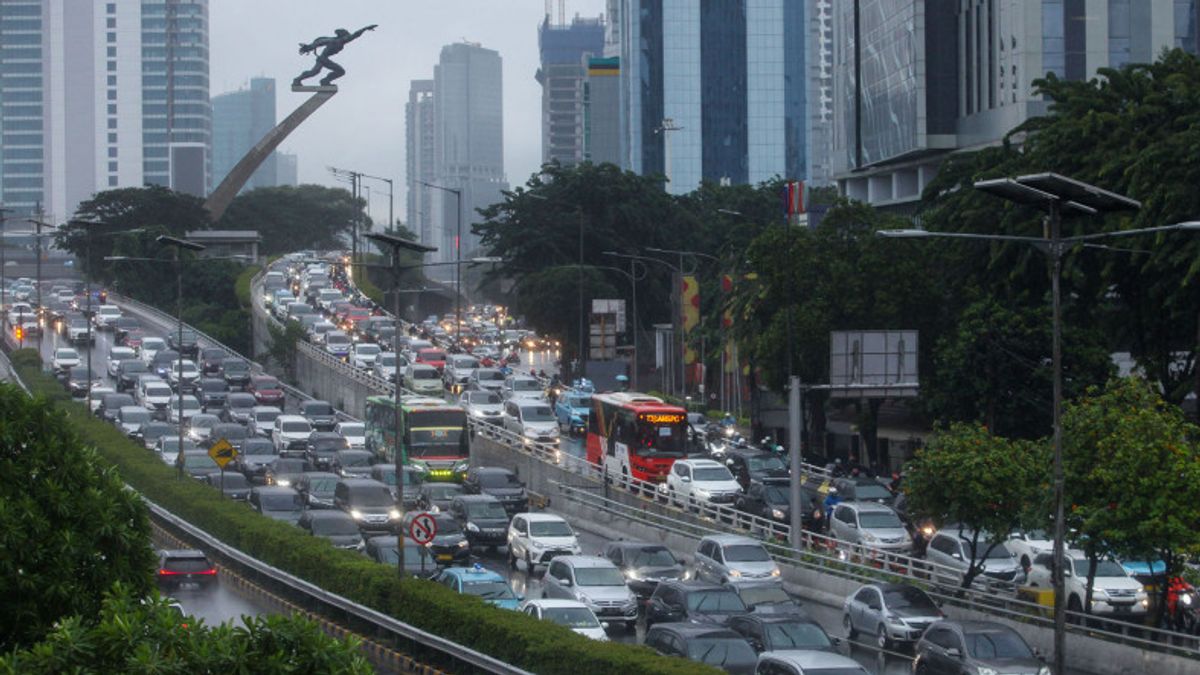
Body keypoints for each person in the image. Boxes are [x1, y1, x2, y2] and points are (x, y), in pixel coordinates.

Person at [293, 25, 377, 87]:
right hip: (323, 58)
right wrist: (365, 28)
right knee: (340, 71)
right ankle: (323, 81)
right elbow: (355, 35)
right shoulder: (339, 40)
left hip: (322, 58)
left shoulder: (332, 39)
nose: (348, 37)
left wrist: (308, 47)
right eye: (346, 35)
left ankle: (299, 80)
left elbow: (318, 42)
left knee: (315, 71)